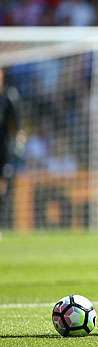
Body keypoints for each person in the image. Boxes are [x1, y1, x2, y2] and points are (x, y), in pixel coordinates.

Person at [0, 68, 19, 231]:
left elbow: (15, 127)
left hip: (3, 152)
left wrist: (16, 148)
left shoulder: (8, 99)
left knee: (2, 189)